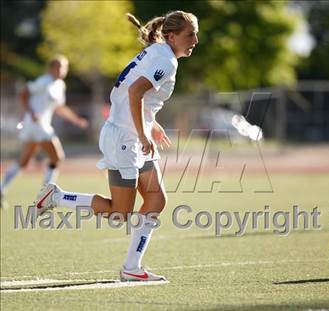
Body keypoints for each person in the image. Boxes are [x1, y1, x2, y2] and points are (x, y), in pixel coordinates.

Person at [33, 11, 199, 282]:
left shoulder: (159, 51)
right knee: (120, 213)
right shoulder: (166, 60)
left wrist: (150, 124)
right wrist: (143, 135)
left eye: (195, 34)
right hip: (124, 139)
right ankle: (55, 196)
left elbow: (132, 93)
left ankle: (132, 267)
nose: (195, 40)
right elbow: (134, 92)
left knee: (156, 199)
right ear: (171, 36)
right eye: (190, 34)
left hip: (132, 134)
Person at [1, 55, 88, 206]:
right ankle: (46, 195)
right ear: (51, 68)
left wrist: (76, 120)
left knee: (24, 160)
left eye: (64, 67)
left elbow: (59, 107)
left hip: (38, 126)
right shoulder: (44, 81)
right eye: (59, 67)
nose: (62, 70)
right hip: (36, 124)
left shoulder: (60, 85)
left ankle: (2, 188)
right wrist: (31, 111)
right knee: (57, 157)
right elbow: (24, 93)